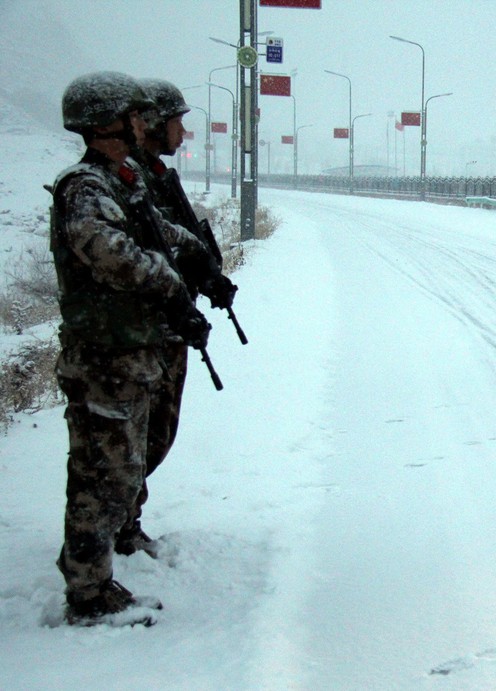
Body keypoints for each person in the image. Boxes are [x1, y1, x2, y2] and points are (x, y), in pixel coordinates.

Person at [50, 71, 217, 626]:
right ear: (106, 123)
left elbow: (157, 232)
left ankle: (96, 577)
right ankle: (89, 592)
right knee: (102, 475)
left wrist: (195, 258)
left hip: (128, 352)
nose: (145, 123)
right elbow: (112, 252)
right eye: (135, 115)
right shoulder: (85, 188)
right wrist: (171, 284)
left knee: (121, 471)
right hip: (104, 356)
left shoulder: (121, 182)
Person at [115, 78, 236, 560]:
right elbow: (146, 253)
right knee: (139, 434)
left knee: (155, 432)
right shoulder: (130, 178)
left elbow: (179, 239)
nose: (183, 133)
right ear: (147, 124)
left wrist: (206, 276)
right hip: (147, 325)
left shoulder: (155, 175)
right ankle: (119, 527)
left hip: (167, 321)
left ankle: (126, 520)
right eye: (177, 123)